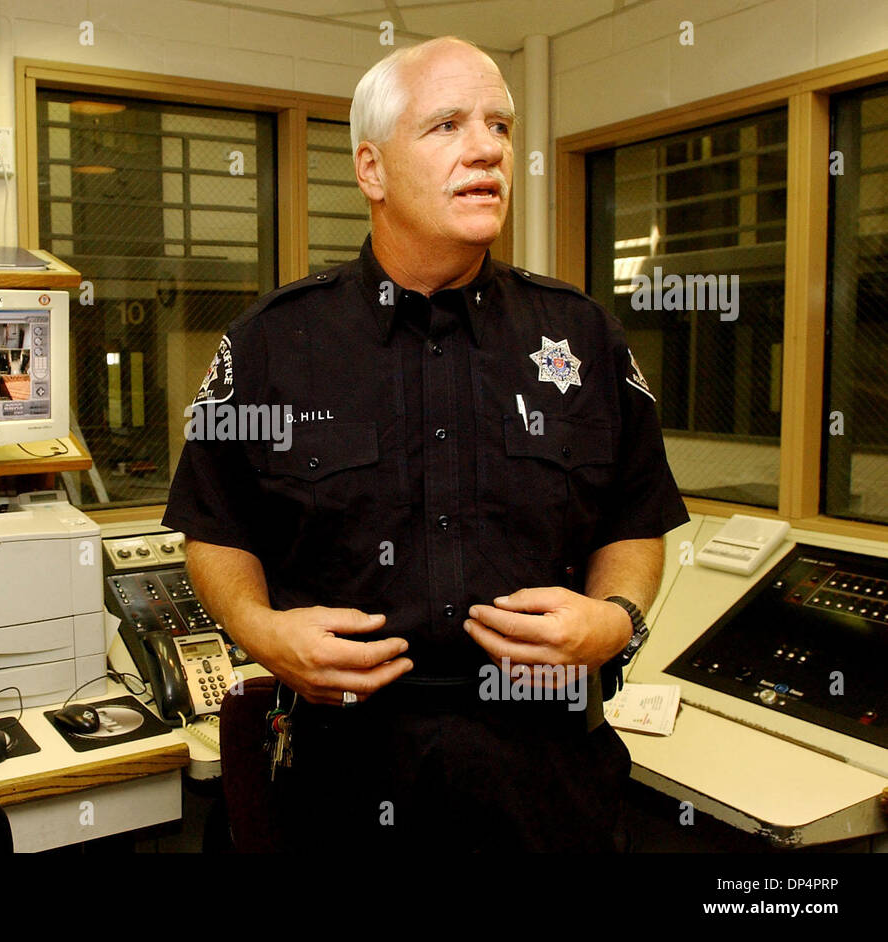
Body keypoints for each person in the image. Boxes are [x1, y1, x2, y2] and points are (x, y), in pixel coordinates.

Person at [161, 36, 688, 852]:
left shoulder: (581, 336)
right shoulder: (274, 345)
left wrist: (616, 619)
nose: (487, 149)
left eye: (500, 128)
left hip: (546, 784)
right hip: (341, 785)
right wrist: (261, 632)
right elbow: (215, 527)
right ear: (371, 170)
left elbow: (634, 515)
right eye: (446, 125)